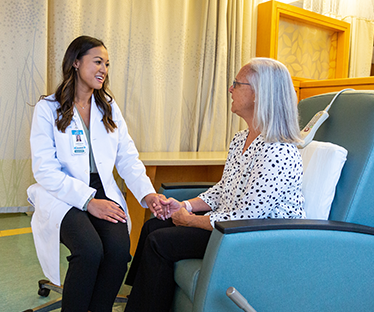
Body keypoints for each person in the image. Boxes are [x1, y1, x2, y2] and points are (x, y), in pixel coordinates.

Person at [124, 57, 306, 312]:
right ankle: (138, 301)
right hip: (228, 228)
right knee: (152, 225)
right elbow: (224, 190)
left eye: (236, 84)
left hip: (256, 239)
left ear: (258, 94)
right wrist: (184, 205)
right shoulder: (241, 138)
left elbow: (245, 218)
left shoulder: (279, 150)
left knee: (160, 241)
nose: (230, 89)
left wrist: (189, 220)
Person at [27, 35, 165, 312]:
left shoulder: (108, 108)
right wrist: (89, 201)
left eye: (107, 64)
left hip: (102, 188)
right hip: (62, 192)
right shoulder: (48, 109)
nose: (104, 69)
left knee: (117, 252)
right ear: (76, 62)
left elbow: (127, 157)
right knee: (89, 251)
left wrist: (147, 193)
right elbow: (44, 169)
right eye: (97, 61)